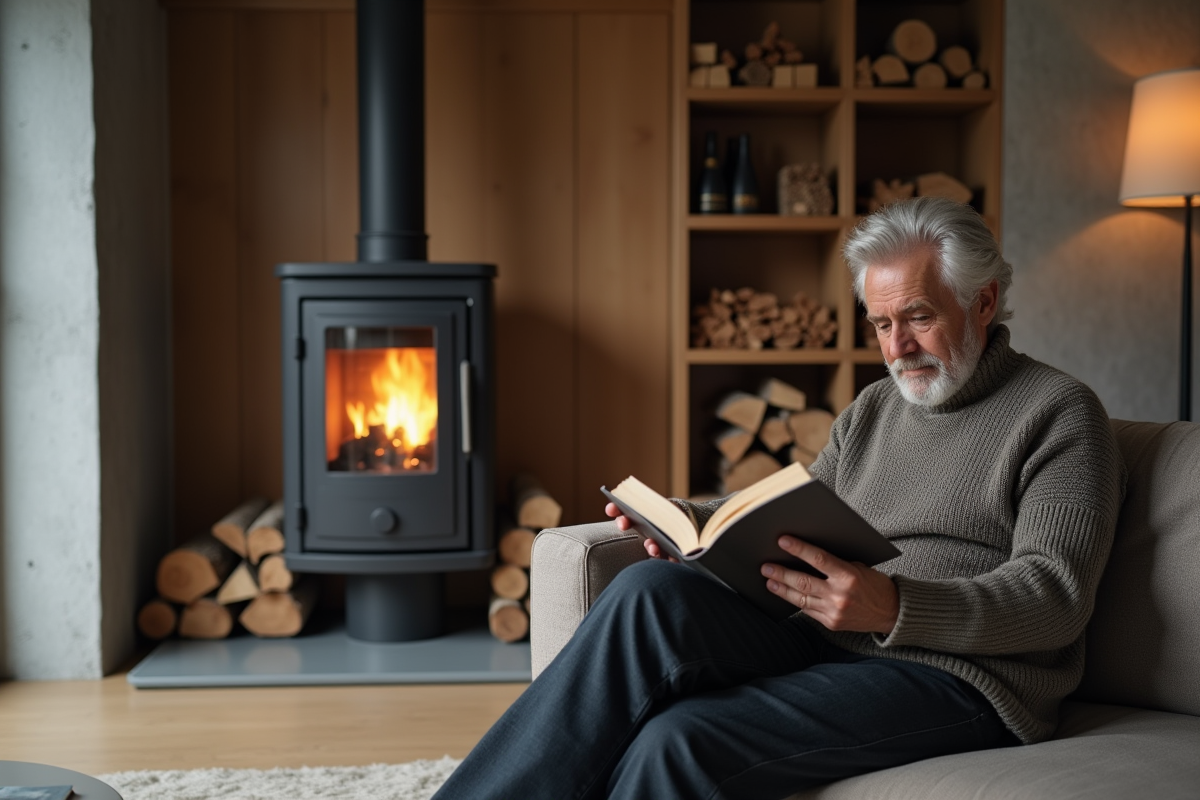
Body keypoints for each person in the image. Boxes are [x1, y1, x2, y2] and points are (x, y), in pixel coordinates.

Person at [431, 197, 1126, 799]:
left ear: (983, 300)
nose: (898, 347)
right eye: (881, 325)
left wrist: (895, 605)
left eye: (916, 317)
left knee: (680, 739)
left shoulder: (1059, 412)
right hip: (829, 635)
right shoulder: (876, 409)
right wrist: (690, 522)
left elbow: (1055, 597)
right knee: (648, 591)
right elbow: (792, 506)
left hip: (963, 679)